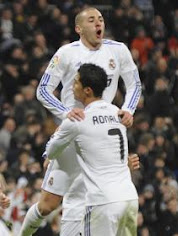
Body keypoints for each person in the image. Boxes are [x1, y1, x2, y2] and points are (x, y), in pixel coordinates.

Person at [19, 6, 141, 236]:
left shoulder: (119, 50)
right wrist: (66, 112)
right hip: (72, 130)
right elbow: (43, 90)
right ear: (79, 28)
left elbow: (135, 83)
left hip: (102, 132)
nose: (99, 24)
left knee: (93, 198)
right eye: (92, 20)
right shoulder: (66, 53)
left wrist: (128, 109)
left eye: (101, 19)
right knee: (47, 205)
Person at [47, 63, 138, 235]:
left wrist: (58, 132)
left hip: (102, 201)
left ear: (87, 90)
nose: (72, 86)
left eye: (75, 82)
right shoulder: (117, 112)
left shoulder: (77, 119)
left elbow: (51, 152)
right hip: (129, 197)